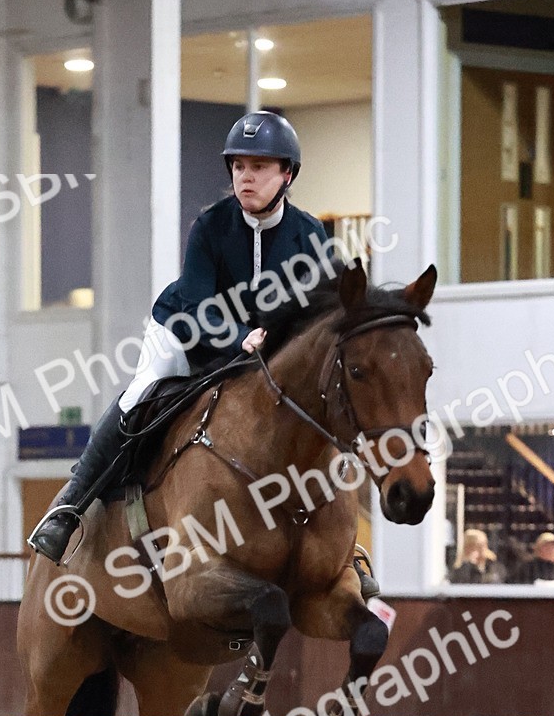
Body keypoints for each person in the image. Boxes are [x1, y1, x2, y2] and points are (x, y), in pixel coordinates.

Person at [29, 110, 329, 564]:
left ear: (287, 174)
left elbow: (322, 309)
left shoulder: (309, 234)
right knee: (142, 393)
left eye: (259, 167)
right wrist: (240, 339)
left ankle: (342, 543)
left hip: (265, 351)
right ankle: (68, 507)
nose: (246, 177)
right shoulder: (211, 226)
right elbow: (196, 308)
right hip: (186, 334)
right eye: (239, 167)